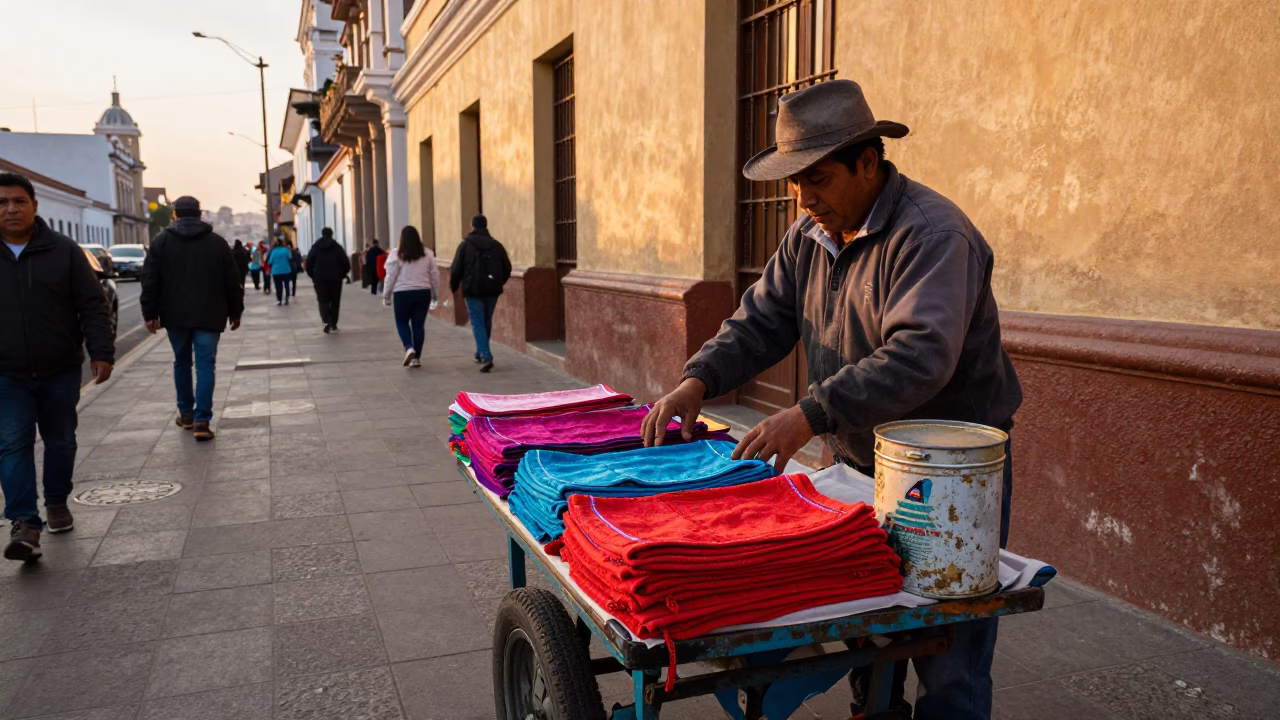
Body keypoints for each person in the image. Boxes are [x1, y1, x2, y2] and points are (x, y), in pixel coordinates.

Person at [640, 80, 1022, 720]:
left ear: (867, 162)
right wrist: (698, 380)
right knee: (868, 624)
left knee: (947, 649)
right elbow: (760, 320)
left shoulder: (933, 234)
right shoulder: (808, 236)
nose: (803, 196)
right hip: (861, 459)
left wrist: (808, 415)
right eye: (793, 182)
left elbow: (920, 356)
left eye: (816, 177)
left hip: (948, 476)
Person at [0, 172, 115, 561]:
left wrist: (102, 351)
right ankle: (24, 523)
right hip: (6, 374)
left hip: (60, 369)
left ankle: (56, 501)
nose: (10, 209)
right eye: (2, 203)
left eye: (18, 201)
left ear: (34, 206)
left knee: (61, 440)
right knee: (12, 444)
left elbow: (92, 304)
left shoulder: (64, 250)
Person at [141, 196, 244, 441]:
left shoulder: (161, 242)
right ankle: (202, 420)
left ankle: (186, 414)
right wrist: (235, 311)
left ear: (175, 215)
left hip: (175, 316)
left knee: (182, 363)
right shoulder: (217, 243)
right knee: (206, 366)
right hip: (210, 314)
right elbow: (232, 281)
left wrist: (150, 313)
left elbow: (150, 280)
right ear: (200, 214)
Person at [449, 214, 511, 373]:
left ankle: (486, 355)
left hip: (473, 289)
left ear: (473, 227)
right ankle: (480, 352)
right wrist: (498, 283)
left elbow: (456, 269)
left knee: (477, 321)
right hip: (492, 290)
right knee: (485, 320)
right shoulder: (496, 245)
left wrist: (454, 286)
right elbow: (507, 268)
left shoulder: (465, 245)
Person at [382, 226, 438, 367]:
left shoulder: (396, 254)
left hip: (402, 293)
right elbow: (434, 275)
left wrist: (386, 295)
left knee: (402, 322)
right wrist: (435, 294)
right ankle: (416, 358)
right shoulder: (428, 254)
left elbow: (390, 276)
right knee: (418, 325)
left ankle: (409, 347)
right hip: (423, 292)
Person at [304, 227, 351, 334]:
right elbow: (346, 263)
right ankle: (334, 323)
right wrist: (342, 274)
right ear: (331, 234)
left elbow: (309, 263)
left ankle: (326, 321)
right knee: (335, 301)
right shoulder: (337, 247)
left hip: (320, 279)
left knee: (323, 300)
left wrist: (313, 276)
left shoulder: (316, 247)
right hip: (335, 279)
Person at [266, 239, 294, 306]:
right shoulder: (286, 250)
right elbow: (290, 257)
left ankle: (279, 300)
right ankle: (287, 299)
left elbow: (269, 261)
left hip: (276, 272)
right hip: (286, 270)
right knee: (287, 285)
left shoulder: (273, 251)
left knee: (278, 286)